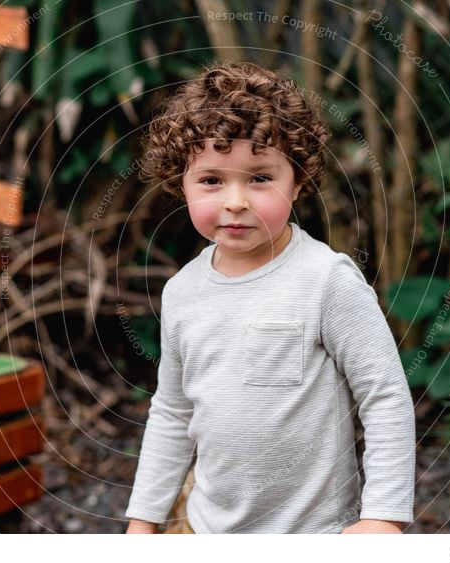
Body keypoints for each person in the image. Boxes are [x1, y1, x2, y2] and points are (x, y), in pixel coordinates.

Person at [124, 61, 415, 534]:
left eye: (260, 178)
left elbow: (384, 397)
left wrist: (383, 518)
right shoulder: (183, 292)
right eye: (211, 180)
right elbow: (173, 413)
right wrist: (143, 522)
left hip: (311, 535)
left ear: (297, 182)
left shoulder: (326, 280)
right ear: (181, 182)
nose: (235, 200)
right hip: (207, 530)